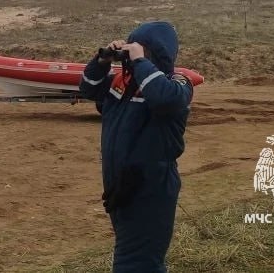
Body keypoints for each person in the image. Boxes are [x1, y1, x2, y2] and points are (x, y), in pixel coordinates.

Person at [78, 21, 194, 273]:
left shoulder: (177, 84)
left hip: (150, 189)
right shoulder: (123, 82)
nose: (132, 54)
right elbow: (88, 89)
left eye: (140, 49)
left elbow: (165, 100)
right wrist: (102, 61)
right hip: (121, 186)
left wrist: (141, 62)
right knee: (136, 258)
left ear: (158, 54)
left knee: (135, 264)